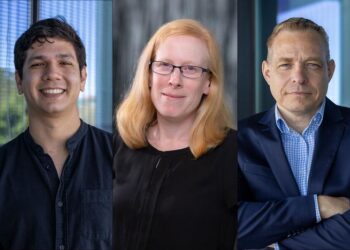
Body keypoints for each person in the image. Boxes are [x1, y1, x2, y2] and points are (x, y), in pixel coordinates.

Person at [113, 19, 236, 250]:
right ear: (148, 75)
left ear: (208, 83)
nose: (174, 80)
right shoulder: (118, 145)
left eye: (190, 69)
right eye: (164, 65)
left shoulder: (233, 152)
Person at [238, 17, 350, 249]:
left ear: (329, 70)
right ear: (267, 72)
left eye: (312, 65)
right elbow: (231, 223)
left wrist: (278, 246)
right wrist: (318, 207)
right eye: (285, 65)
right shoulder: (238, 139)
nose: (298, 77)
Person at [0, 18, 112, 249]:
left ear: (82, 78)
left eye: (64, 63)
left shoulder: (123, 158)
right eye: (38, 64)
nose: (52, 73)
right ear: (19, 81)